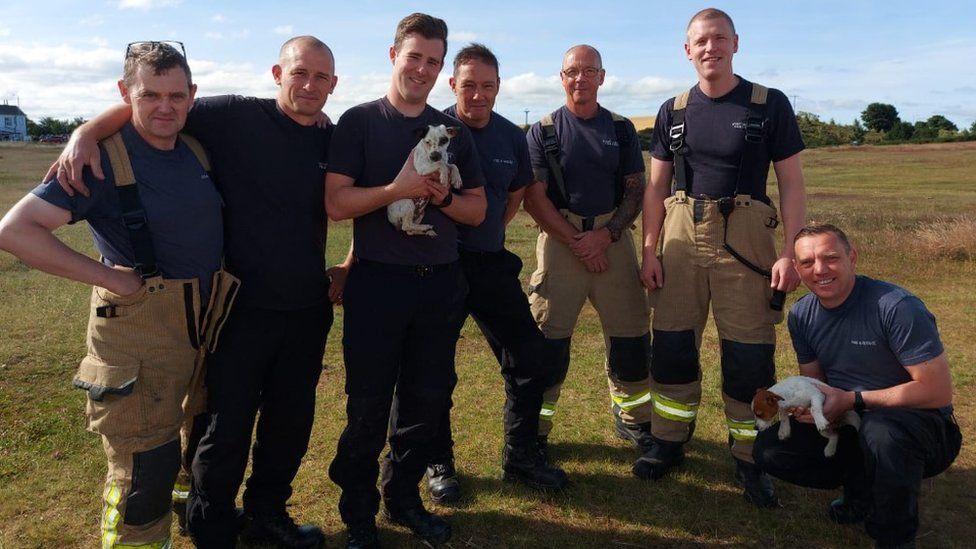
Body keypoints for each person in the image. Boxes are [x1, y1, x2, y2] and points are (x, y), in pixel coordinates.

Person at [54, 36, 339, 548]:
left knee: (290, 424)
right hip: (233, 307)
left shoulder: (330, 136)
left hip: (306, 308)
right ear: (278, 73)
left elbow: (355, 192)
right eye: (300, 73)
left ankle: (268, 514)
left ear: (333, 84)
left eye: (321, 77)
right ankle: (210, 524)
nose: (309, 85)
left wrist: (349, 264)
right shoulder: (232, 116)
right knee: (223, 427)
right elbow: (154, 102)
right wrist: (85, 131)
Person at [0, 41, 222, 548]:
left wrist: (88, 123)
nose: (165, 107)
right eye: (149, 95)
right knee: (144, 465)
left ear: (192, 96)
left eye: (176, 95)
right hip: (139, 330)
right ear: (125, 94)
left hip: (203, 326)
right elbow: (15, 231)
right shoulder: (100, 159)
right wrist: (111, 278)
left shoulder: (194, 146)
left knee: (194, 440)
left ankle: (186, 514)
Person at [324, 13, 486, 548]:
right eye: (414, 56)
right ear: (393, 55)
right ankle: (359, 512)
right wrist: (398, 189)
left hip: (439, 283)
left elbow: (478, 210)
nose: (422, 69)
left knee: (425, 400)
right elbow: (336, 203)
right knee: (368, 403)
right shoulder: (360, 123)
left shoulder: (450, 129)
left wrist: (440, 197)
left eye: (433, 61)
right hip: (378, 284)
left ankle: (404, 497)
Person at [639, 7, 806, 506]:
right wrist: (649, 248)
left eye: (719, 39)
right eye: (700, 41)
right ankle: (668, 442)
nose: (710, 48)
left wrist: (792, 253)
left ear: (736, 44)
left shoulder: (768, 104)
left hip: (748, 236)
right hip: (680, 234)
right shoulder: (673, 109)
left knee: (749, 354)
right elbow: (654, 187)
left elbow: (792, 183)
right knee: (670, 345)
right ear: (686, 51)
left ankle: (753, 457)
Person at [421, 43, 568, 504]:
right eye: (469, 85)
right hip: (439, 267)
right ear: (452, 85)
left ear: (499, 88)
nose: (478, 95)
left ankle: (521, 454)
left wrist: (487, 233)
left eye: (487, 86)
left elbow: (518, 192)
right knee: (432, 370)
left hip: (489, 265)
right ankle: (437, 461)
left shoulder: (511, 136)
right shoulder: (431, 130)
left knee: (529, 358)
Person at [753, 223, 961, 549]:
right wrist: (809, 408)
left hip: (920, 424)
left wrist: (853, 400)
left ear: (853, 258)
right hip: (851, 415)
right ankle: (860, 490)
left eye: (830, 258)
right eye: (807, 262)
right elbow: (816, 383)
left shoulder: (896, 307)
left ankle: (894, 537)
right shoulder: (802, 315)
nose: (820, 270)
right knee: (769, 448)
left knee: (881, 432)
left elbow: (937, 392)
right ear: (797, 268)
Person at [523, 45, 652, 463]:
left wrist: (607, 235)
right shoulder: (543, 131)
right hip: (561, 242)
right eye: (572, 71)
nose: (581, 78)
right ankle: (535, 429)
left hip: (613, 242)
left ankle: (632, 418)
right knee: (548, 340)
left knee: (631, 337)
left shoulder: (621, 128)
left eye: (589, 71)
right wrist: (577, 241)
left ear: (602, 76)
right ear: (561, 77)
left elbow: (636, 188)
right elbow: (534, 197)